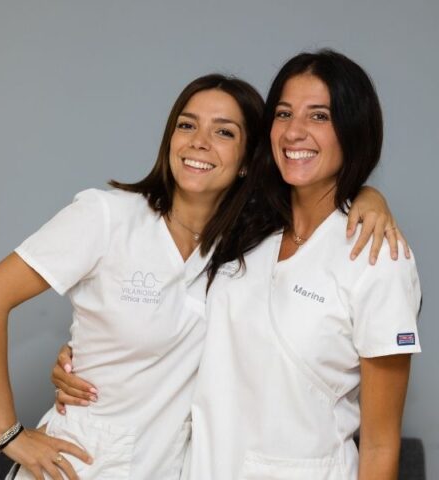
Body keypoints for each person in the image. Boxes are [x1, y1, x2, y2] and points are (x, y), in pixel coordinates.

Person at [0, 72, 399, 480]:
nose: (199, 142)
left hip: (171, 466)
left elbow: (318, 205)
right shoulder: (108, 216)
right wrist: (9, 434)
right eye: (187, 125)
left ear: (247, 161)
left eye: (224, 132)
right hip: (79, 464)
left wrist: (367, 195)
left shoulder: (244, 249)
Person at [180, 50, 421, 479]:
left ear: (354, 129)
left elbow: (381, 443)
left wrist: (368, 195)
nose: (294, 132)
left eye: (319, 116)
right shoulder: (241, 227)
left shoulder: (377, 257)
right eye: (284, 113)